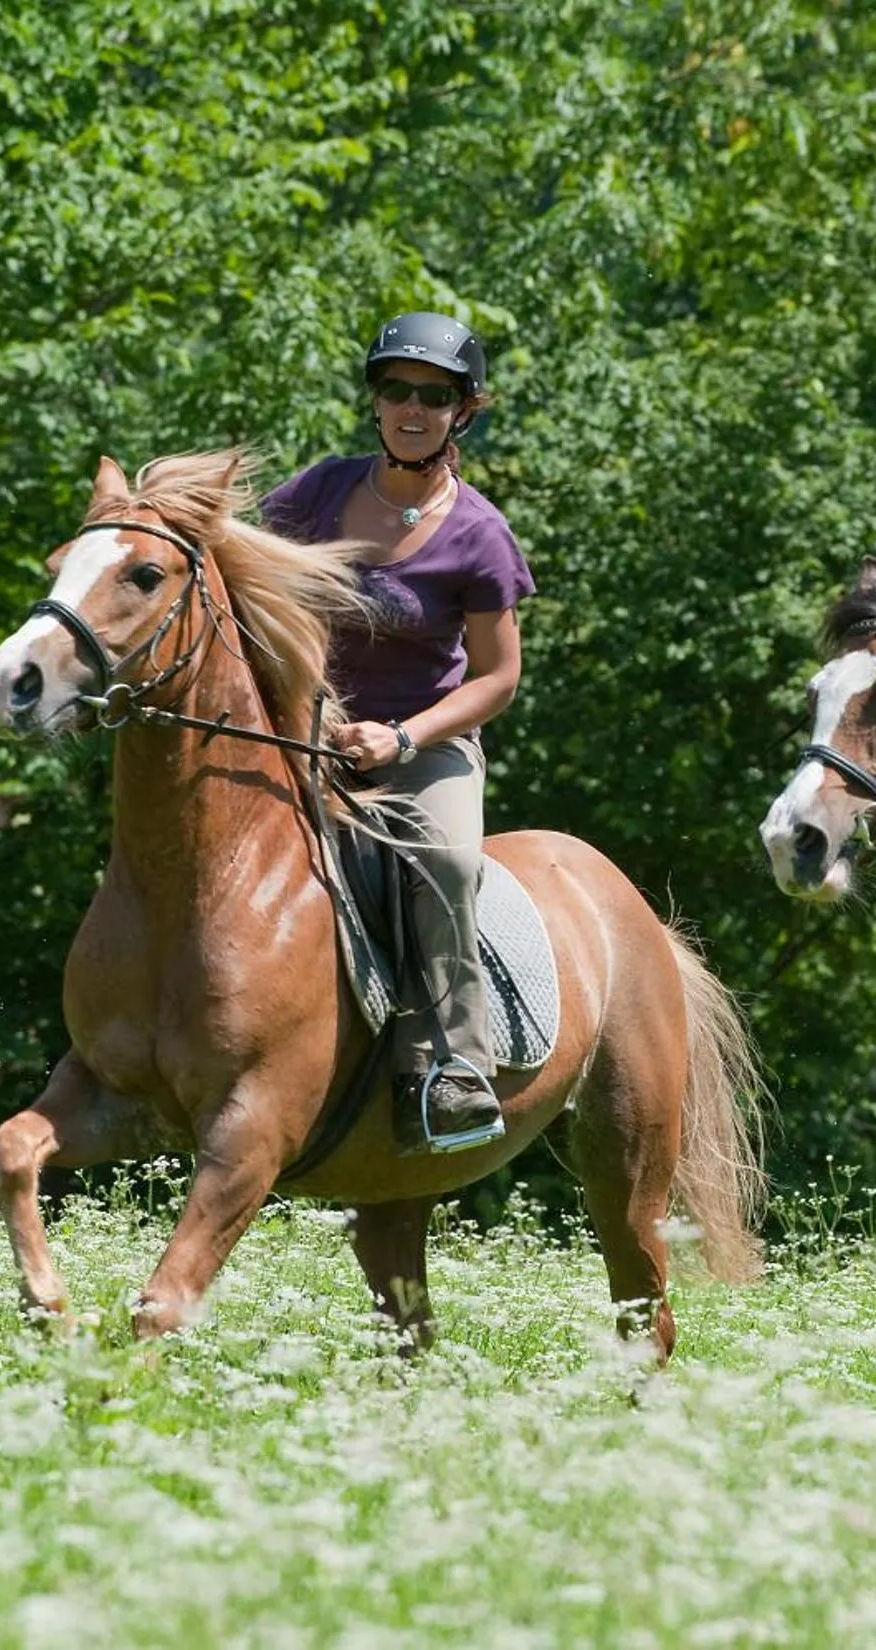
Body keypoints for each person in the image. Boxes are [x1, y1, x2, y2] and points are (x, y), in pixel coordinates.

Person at [263, 312, 535, 1154]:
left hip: (423, 750)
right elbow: (242, 571)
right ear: (375, 402)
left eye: (434, 396)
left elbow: (498, 678)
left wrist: (404, 740)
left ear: (463, 412)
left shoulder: (479, 535)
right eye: (396, 391)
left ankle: (457, 1069)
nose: (412, 408)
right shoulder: (315, 495)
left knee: (446, 860)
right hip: (305, 733)